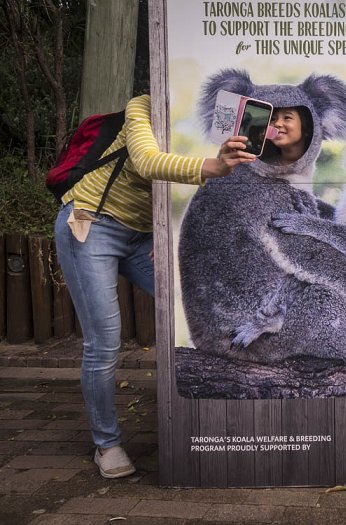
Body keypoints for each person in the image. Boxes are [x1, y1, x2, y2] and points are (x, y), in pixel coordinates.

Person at [54, 94, 254, 479]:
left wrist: (166, 234)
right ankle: (107, 443)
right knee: (104, 340)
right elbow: (147, 163)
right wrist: (214, 165)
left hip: (145, 234)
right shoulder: (141, 106)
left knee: (194, 300)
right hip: (90, 223)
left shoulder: (211, 112)